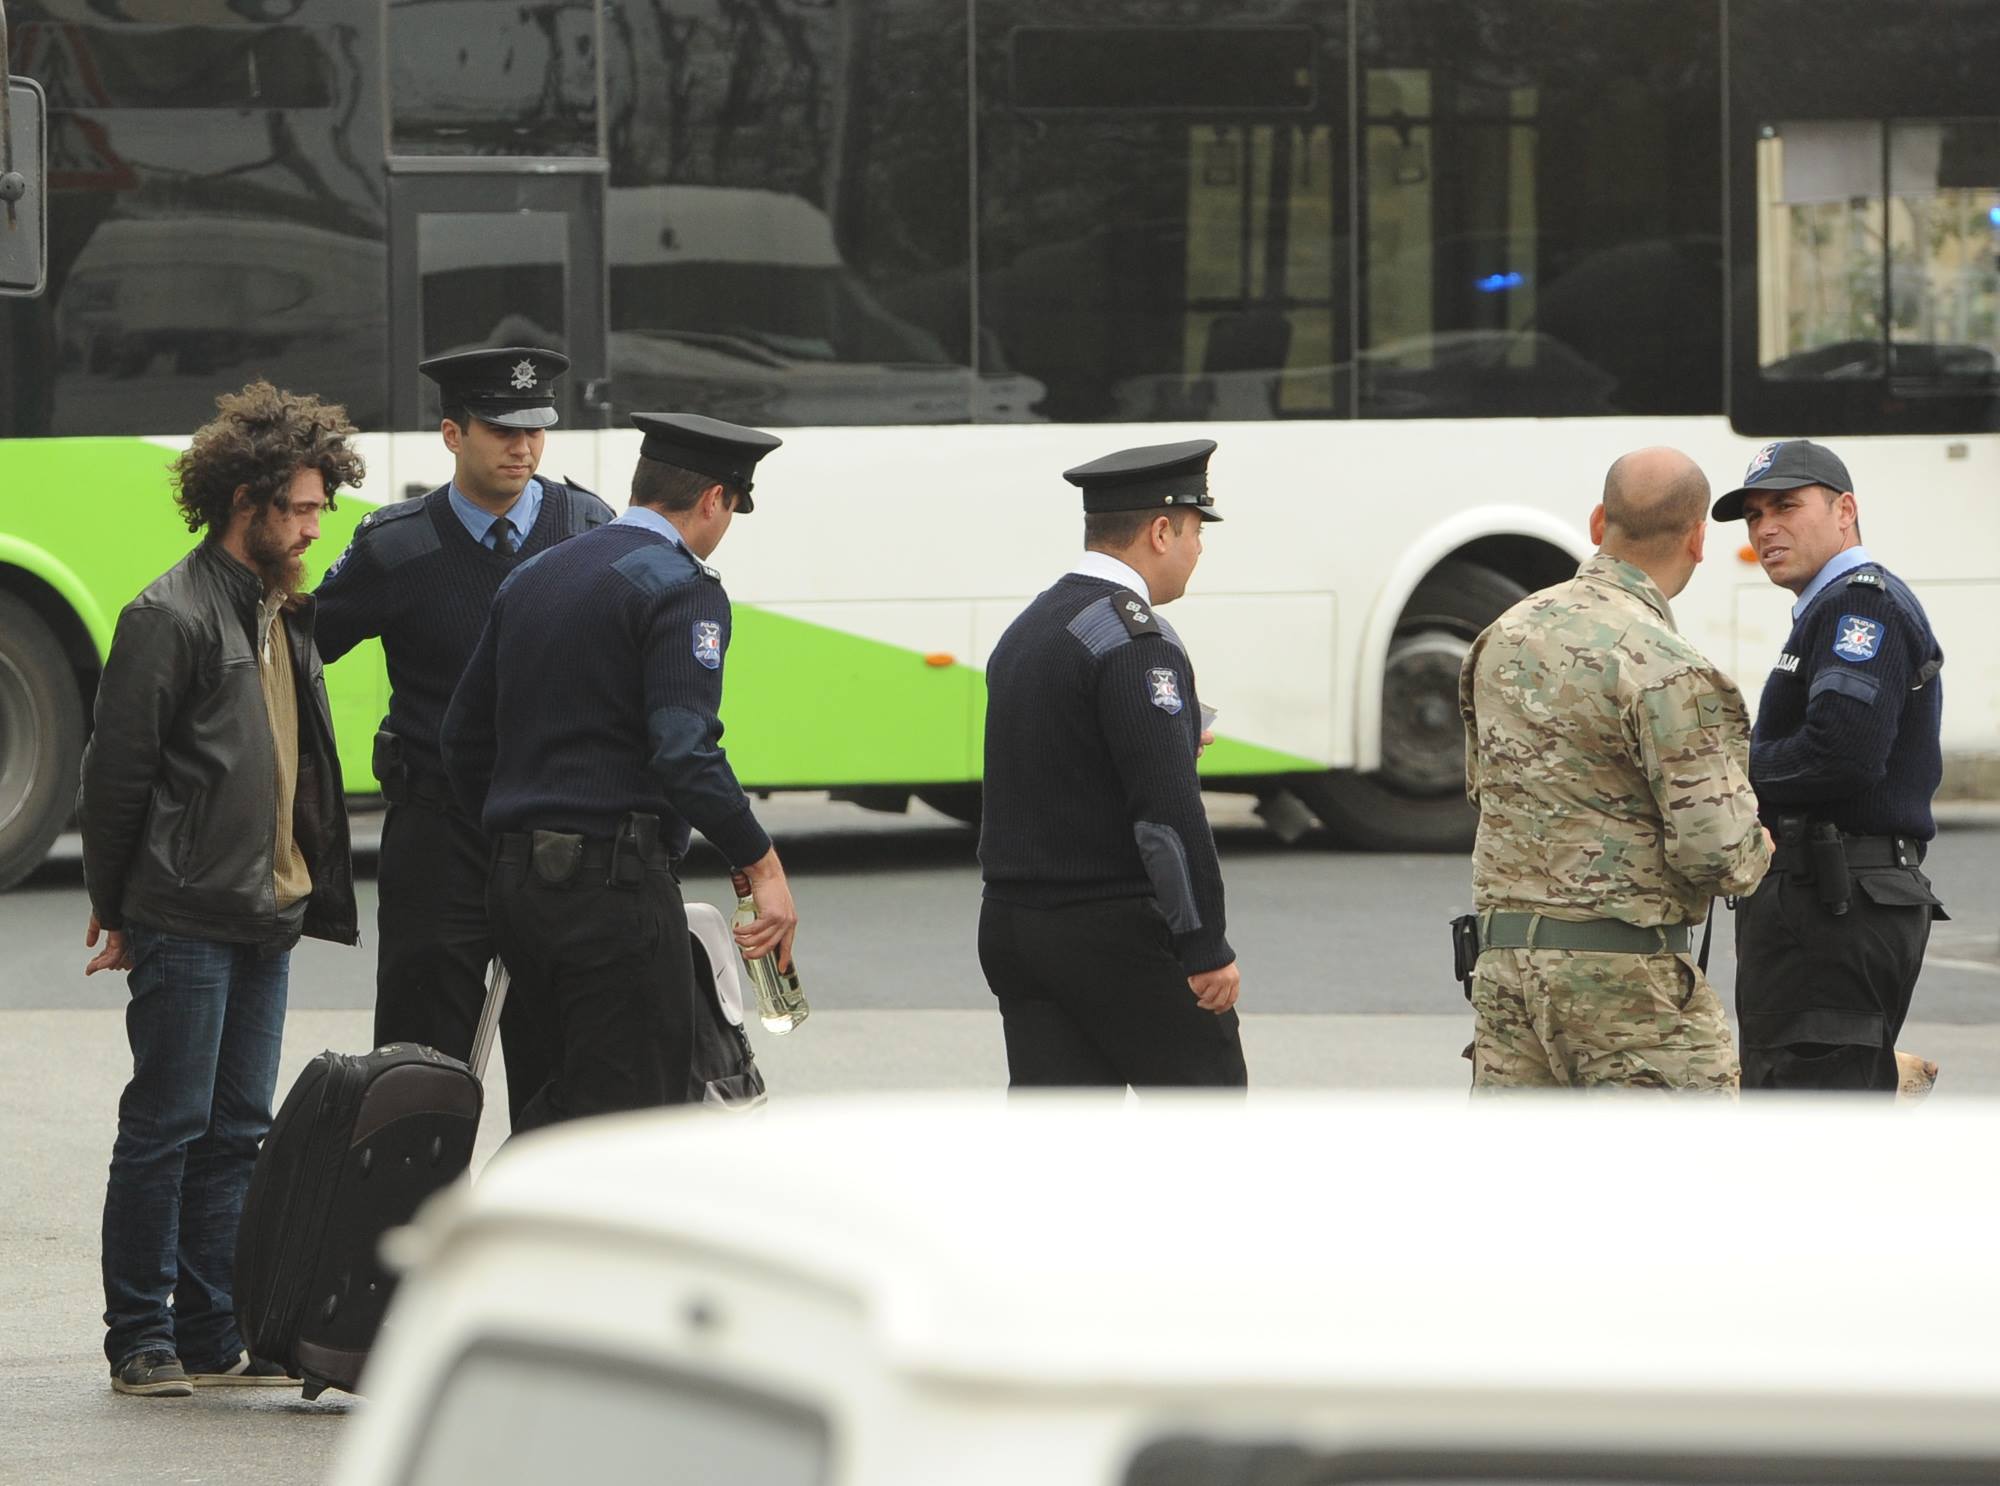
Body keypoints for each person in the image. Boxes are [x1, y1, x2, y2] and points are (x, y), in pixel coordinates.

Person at [79, 381, 362, 1395]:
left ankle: (210, 1328)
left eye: (321, 506)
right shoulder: (167, 614)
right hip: (186, 911)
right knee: (167, 1126)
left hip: (265, 911)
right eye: (301, 507)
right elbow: (115, 778)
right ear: (246, 501)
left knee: (240, 1130)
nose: (315, 525)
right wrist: (114, 906)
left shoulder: (285, 610)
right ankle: (139, 1335)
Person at [440, 412, 798, 1129]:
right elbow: (685, 751)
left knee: (558, 1096)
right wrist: (761, 864)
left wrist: (522, 832)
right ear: (714, 499)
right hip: (613, 894)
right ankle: (486, 1206)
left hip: (517, 892)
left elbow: (461, 739)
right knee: (623, 1125)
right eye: (732, 509)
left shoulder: (535, 574)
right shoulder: (681, 587)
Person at [313, 347, 611, 1124]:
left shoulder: (588, 530)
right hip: (438, 835)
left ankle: (541, 1206)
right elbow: (298, 651)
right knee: (417, 1071)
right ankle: (417, 1204)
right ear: (453, 434)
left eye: (536, 430)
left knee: (561, 1073)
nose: (524, 447)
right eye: (502, 430)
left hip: (554, 838)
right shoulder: (395, 546)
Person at [1459, 447, 1771, 1091]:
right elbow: (1719, 855)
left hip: (1506, 974)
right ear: (1698, 539)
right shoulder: (1671, 667)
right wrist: (1758, 845)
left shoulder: (1501, 636)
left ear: (1599, 522)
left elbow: (1485, 791)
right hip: (1628, 989)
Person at [977, 439, 1245, 1090]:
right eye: (1196, 530)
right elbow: (1166, 815)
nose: (1199, 549)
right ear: (1161, 531)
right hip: (1107, 929)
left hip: (1014, 923)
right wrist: (1205, 944)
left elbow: (1057, 765)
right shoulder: (1134, 639)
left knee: (1064, 1136)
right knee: (1209, 1117)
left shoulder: (1035, 623)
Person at [1711, 440, 1947, 1092]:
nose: (1766, 528)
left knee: (1808, 1118)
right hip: (1830, 898)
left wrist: (1726, 774)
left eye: (1786, 506)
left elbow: (1839, 755)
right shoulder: (1833, 604)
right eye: (1754, 515)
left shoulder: (1858, 604)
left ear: (1846, 511)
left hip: (1834, 903)